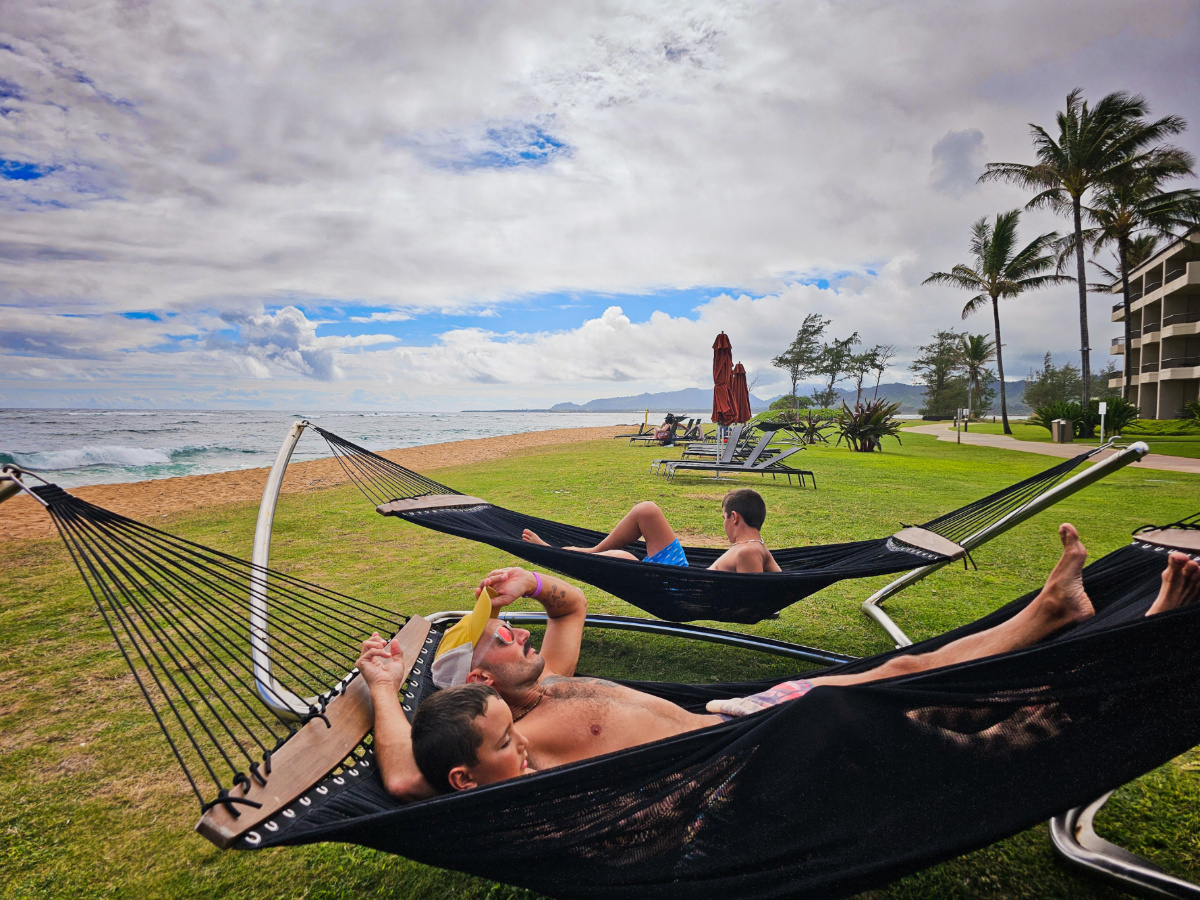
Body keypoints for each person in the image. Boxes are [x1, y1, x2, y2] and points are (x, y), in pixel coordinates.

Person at [356, 524, 1200, 797]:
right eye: (502, 645)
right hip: (741, 760)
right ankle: (1128, 646)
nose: (521, 638)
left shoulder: (545, 690)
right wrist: (388, 689)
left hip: (738, 720)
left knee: (909, 670)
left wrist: (527, 579)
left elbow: (569, 602)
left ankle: (1055, 613)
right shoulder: (503, 751)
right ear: (475, 686)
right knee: (942, 717)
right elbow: (403, 778)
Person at [520, 488, 782, 573]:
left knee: (624, 558)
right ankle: (588, 550)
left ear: (734, 518)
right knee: (647, 512)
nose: (724, 524)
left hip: (679, 587)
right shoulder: (757, 548)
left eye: (724, 517)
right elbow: (778, 586)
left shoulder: (748, 552)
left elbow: (751, 599)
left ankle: (559, 552)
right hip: (682, 575)